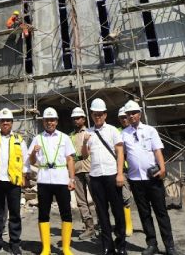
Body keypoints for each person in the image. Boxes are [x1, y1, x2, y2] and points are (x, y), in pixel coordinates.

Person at [121, 100, 177, 255]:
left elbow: (157, 151)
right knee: (144, 213)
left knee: (161, 212)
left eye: (134, 113)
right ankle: (151, 244)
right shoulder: (124, 134)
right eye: (129, 114)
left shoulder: (150, 130)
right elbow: (121, 154)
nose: (131, 116)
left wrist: (163, 168)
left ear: (139, 114)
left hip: (153, 178)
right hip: (136, 180)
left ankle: (169, 245)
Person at [28, 108, 76, 255]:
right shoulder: (37, 139)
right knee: (43, 213)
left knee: (66, 213)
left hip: (61, 179)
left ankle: (66, 248)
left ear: (56, 121)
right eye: (47, 120)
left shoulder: (64, 138)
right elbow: (31, 161)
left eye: (52, 120)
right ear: (43, 122)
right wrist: (34, 153)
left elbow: (70, 159)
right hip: (44, 180)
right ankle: (46, 248)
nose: (50, 122)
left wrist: (72, 178)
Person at [81, 99, 126, 255]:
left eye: (100, 114)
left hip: (112, 175)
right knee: (102, 212)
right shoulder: (89, 133)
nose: (97, 117)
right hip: (95, 177)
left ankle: (121, 245)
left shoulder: (113, 130)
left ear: (105, 114)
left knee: (118, 211)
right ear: (92, 115)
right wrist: (84, 143)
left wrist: (120, 173)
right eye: (95, 114)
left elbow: (120, 152)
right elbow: (84, 155)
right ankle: (107, 246)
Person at [0, 108, 26, 255]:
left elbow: (25, 161)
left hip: (13, 181)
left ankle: (14, 243)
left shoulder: (19, 140)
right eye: (3, 121)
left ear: (12, 123)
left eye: (8, 120)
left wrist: (24, 177)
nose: (5, 123)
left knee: (15, 213)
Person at [69, 107, 96, 240]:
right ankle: (89, 227)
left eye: (78, 118)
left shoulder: (90, 132)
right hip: (77, 170)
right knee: (81, 201)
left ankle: (103, 224)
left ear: (84, 119)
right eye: (74, 118)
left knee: (98, 199)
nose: (76, 120)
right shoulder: (71, 136)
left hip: (91, 169)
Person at [116, 107, 134, 237]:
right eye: (121, 118)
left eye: (125, 116)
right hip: (124, 169)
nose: (124, 119)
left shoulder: (138, 130)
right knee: (125, 197)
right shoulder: (117, 132)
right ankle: (128, 225)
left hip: (138, 169)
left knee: (143, 199)